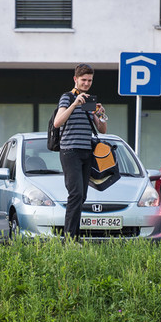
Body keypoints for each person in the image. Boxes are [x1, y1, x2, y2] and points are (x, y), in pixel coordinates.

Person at [53, 63, 107, 240]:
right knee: (75, 194)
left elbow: (102, 129)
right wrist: (75, 104)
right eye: (83, 80)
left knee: (81, 196)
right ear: (75, 79)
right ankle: (69, 239)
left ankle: (74, 236)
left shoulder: (89, 100)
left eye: (89, 80)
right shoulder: (67, 97)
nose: (86, 83)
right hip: (70, 151)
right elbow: (57, 122)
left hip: (86, 151)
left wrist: (101, 114)